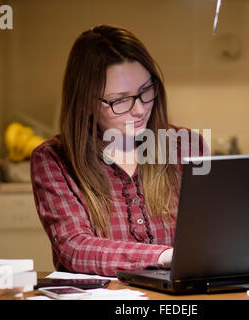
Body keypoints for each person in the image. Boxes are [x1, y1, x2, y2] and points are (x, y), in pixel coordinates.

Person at [30, 25, 208, 276]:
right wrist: (165, 256)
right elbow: (75, 248)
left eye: (145, 90)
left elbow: (212, 235)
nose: (139, 110)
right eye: (120, 100)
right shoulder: (53, 159)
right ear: (86, 102)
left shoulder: (187, 146)